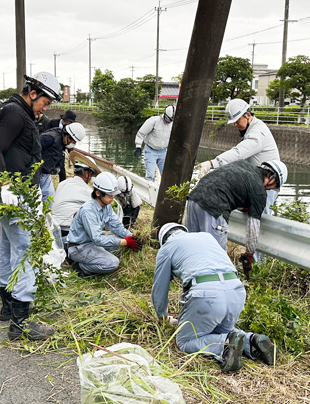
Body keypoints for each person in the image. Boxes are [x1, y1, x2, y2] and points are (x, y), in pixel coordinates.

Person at [0, 72, 62, 341]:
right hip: (13, 193)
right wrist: (6, 185)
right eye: (45, 102)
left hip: (11, 193)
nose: (45, 108)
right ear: (34, 93)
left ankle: (7, 306)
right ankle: (21, 322)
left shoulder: (8, 109)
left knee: (8, 245)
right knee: (25, 249)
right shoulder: (16, 114)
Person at [152, 223, 276, 373]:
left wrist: (162, 316)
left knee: (185, 341)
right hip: (236, 290)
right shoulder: (206, 236)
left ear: (163, 241)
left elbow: (160, 288)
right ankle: (253, 340)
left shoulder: (167, 247)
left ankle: (225, 345)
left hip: (206, 294)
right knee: (220, 331)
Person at [185, 160, 287, 276]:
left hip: (193, 199)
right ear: (273, 178)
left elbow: (231, 188)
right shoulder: (259, 191)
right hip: (214, 207)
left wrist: (244, 207)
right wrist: (249, 254)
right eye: (274, 187)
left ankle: (191, 285)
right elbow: (252, 228)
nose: (270, 190)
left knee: (192, 250)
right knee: (217, 258)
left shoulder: (243, 165)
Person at [196, 98, 280, 214]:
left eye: (237, 120)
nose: (235, 124)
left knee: (261, 220)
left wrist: (212, 163)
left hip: (267, 186)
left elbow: (239, 153)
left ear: (247, 115)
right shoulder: (251, 129)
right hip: (256, 183)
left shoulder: (257, 134)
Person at [65, 172, 141, 276]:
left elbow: (116, 226)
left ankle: (94, 259)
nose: (113, 198)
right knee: (112, 263)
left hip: (91, 243)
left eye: (113, 195)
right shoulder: (88, 211)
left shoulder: (106, 205)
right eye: (110, 195)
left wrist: (131, 237)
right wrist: (124, 242)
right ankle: (80, 267)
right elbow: (97, 239)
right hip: (80, 247)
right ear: (98, 193)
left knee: (118, 247)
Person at [38, 122, 86, 205]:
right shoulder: (49, 138)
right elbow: (31, 149)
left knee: (50, 198)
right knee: (35, 197)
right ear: (67, 136)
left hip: (45, 174)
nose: (73, 144)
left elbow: (61, 164)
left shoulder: (62, 143)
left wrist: (62, 185)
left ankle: (46, 215)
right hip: (36, 172)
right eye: (73, 142)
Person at [51, 159, 97, 235]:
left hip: (55, 227)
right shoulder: (89, 191)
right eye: (91, 175)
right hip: (72, 231)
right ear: (86, 173)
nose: (90, 178)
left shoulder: (61, 184)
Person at [134, 104, 175, 181]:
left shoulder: (172, 124)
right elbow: (141, 133)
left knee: (166, 174)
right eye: (168, 119)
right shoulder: (154, 121)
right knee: (150, 175)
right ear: (165, 115)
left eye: (171, 120)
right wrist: (138, 146)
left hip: (163, 151)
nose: (169, 122)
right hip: (151, 150)